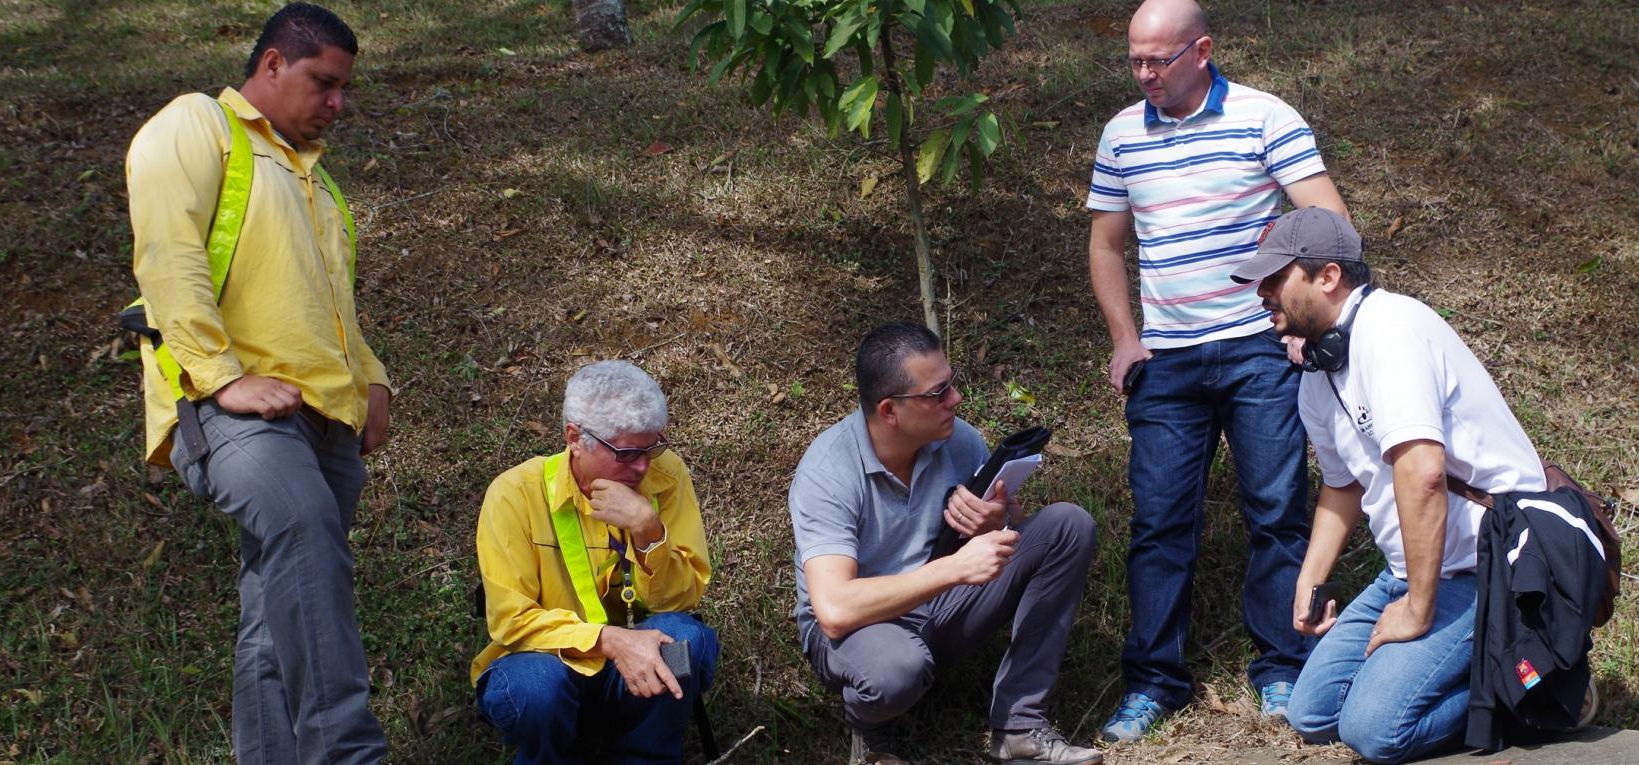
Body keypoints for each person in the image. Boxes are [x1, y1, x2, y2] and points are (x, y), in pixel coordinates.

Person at [127, 4, 390, 761]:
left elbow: (332, 306)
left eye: (345, 89)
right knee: (304, 526)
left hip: (325, 421)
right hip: (236, 410)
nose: (338, 103)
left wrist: (372, 379)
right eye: (324, 83)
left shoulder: (318, 186)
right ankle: (349, 753)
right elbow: (167, 258)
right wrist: (219, 379)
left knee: (277, 615)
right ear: (272, 65)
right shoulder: (198, 126)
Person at [1084, 0, 1352, 740]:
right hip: (1166, 359)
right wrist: (1123, 337)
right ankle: (1153, 683)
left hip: (1259, 349)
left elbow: (1328, 224)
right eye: (1134, 60)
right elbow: (1108, 246)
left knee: (1277, 511)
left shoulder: (1266, 119)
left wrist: (1305, 322)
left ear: (1201, 50)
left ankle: (1283, 667)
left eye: (1158, 60)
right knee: (1161, 522)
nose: (1144, 75)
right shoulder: (1121, 134)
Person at [1229, 207, 1547, 763]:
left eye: (1276, 279)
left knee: (1376, 732)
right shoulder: (1321, 372)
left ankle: (1540, 684)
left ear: (1327, 277)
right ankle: (1466, 660)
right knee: (1312, 714)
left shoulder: (1390, 330)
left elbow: (1423, 472)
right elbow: (1342, 486)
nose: (1262, 294)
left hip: (1490, 566)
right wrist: (1310, 580)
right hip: (1410, 570)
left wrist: (1418, 610)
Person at [789, 323, 1102, 765]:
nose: (955, 400)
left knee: (1067, 526)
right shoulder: (828, 471)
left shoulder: (957, 439)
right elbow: (836, 611)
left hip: (940, 605)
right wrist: (954, 569)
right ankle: (872, 730)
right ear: (889, 410)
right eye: (937, 394)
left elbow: (1003, 523)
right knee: (897, 669)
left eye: (951, 384)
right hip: (861, 632)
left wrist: (998, 519)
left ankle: (1020, 725)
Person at [472, 361, 718, 765]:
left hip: (634, 671)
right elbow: (510, 621)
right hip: (548, 667)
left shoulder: (666, 475)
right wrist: (613, 642)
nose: (642, 467)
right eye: (627, 453)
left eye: (651, 448)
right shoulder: (514, 494)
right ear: (575, 438)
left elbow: (679, 601)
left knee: (684, 642)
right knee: (536, 687)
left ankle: (646, 755)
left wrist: (648, 530)